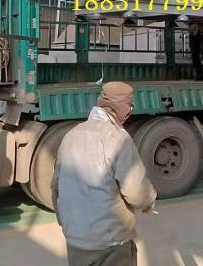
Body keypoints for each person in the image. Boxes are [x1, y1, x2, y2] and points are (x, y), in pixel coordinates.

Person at [52, 81, 157, 266]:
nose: (130, 112)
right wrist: (148, 200)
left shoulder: (71, 135)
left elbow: (56, 187)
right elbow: (136, 191)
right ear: (122, 108)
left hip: (76, 241)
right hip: (111, 242)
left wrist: (67, 225)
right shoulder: (118, 138)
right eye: (130, 106)